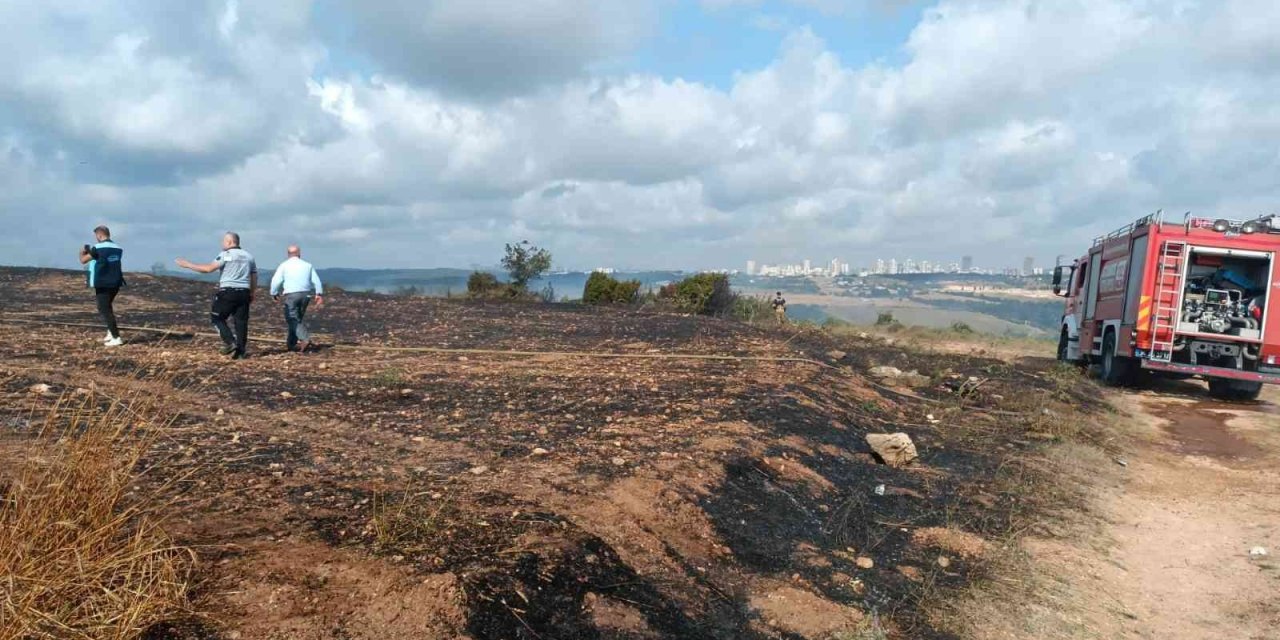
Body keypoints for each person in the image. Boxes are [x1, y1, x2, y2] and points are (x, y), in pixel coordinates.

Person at [175, 232, 258, 360]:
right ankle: (240, 352)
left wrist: (188, 265)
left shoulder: (225, 255)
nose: (221, 244)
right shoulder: (249, 256)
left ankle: (230, 342)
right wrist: (252, 292)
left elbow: (208, 269)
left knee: (217, 318)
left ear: (230, 242)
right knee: (241, 322)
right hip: (244, 292)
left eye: (223, 241)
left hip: (228, 291)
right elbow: (254, 276)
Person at [269, 244, 325, 352]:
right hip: (305, 295)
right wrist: (319, 293)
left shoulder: (284, 265)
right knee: (297, 319)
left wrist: (274, 293)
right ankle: (291, 344)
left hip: (292, 295)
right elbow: (316, 280)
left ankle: (305, 339)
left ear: (288, 254)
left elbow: (276, 281)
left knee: (292, 318)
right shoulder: (308, 265)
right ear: (299, 253)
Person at [79, 225, 125, 347]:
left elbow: (83, 260)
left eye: (96, 236)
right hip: (116, 281)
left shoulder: (97, 248)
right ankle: (111, 332)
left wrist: (81, 252)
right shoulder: (118, 248)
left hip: (102, 282)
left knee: (104, 308)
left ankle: (116, 337)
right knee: (107, 307)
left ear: (99, 235)